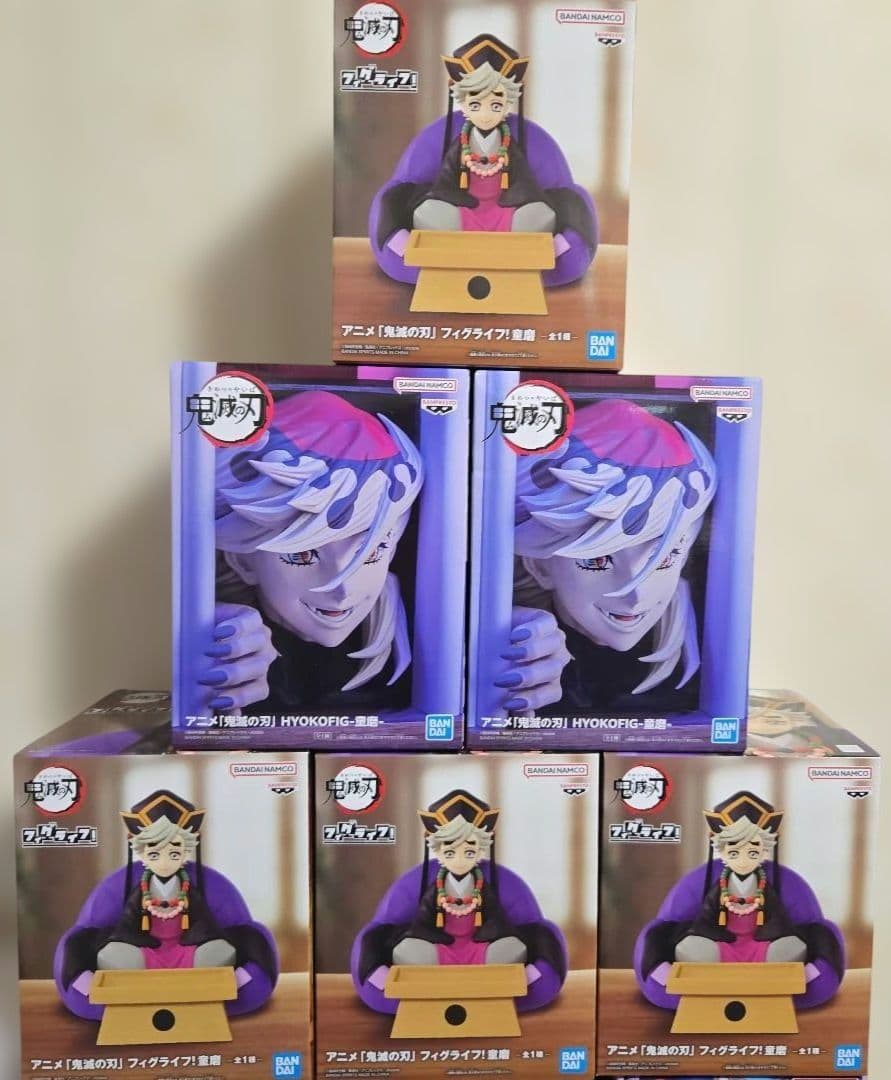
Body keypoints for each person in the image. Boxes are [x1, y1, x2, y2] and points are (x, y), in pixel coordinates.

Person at [203, 390, 423, 714]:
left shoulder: (416, 620)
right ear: (241, 560)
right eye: (303, 555)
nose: (342, 588)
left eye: (372, 551)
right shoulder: (226, 634)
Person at [495, 398, 717, 714]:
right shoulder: (516, 633)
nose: (635, 594)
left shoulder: (706, 628)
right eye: (597, 560)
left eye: (665, 557)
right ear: (537, 565)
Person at [370, 34, 597, 287]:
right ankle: (422, 253)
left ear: (509, 102)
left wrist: (522, 203)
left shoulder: (513, 140)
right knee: (430, 213)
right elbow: (445, 181)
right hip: (463, 205)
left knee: (538, 214)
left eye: (496, 104)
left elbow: (525, 182)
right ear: (462, 102)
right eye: (476, 104)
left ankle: (543, 255)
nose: (486, 114)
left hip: (506, 207)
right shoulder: (458, 139)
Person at [55, 790, 277, 1020]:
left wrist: (200, 941)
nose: (164, 862)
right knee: (113, 955)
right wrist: (131, 943)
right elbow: (128, 923)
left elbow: (203, 922)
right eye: (154, 853)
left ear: (187, 850)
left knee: (220, 951)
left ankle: (228, 988)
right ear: (141, 852)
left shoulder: (191, 886)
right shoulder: (138, 887)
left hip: (186, 948)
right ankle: (96, 991)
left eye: (174, 852)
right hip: (146, 949)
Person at [352, 789, 567, 1015]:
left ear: (481, 849)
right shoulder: (435, 885)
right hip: (440, 947)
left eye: (470, 851)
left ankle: (514, 983)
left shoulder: (484, 885)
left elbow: (496, 919)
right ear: (438, 850)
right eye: (450, 852)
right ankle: (397, 985)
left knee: (512, 947)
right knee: (408, 950)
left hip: (479, 946)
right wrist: (430, 939)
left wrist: (490, 937)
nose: (460, 860)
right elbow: (423, 922)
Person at [634, 791, 845, 1010]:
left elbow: (778, 919)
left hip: (762, 943)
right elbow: (705, 919)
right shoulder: (714, 882)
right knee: (692, 948)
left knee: (790, 947)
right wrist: (710, 937)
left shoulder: (771, 883)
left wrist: (773, 937)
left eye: (752, 852)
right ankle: (680, 981)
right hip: (722, 942)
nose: (743, 860)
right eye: (734, 852)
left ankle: (792, 981)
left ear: (764, 850)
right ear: (721, 850)